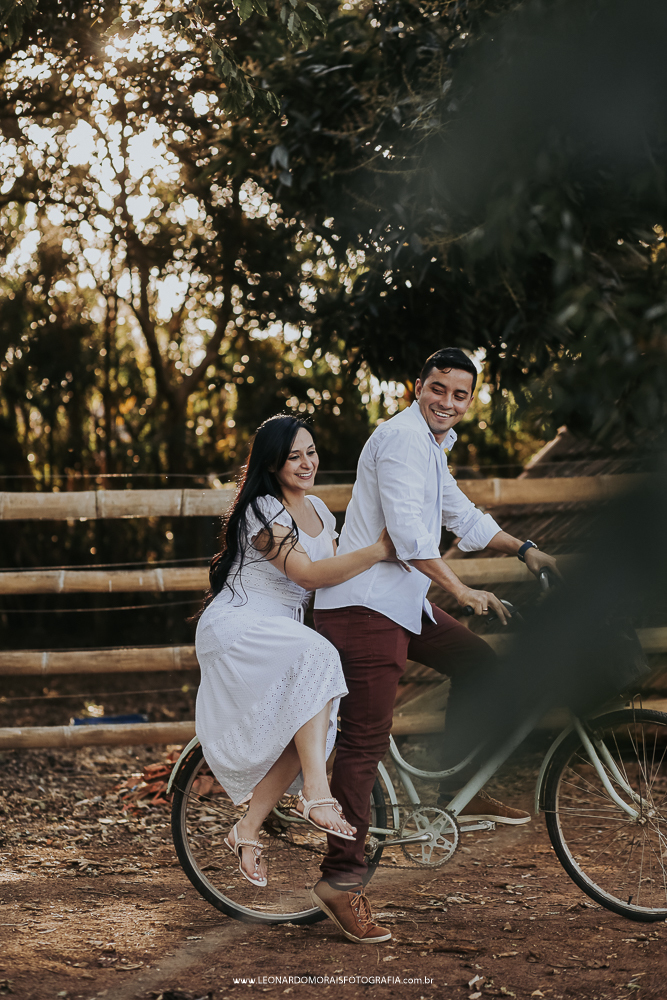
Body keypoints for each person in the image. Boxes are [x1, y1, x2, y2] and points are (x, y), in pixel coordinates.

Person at [310, 347, 559, 944]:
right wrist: (461, 589)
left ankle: (460, 790)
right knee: (363, 743)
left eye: (460, 394)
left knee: (479, 664)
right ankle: (341, 880)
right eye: (438, 389)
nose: (448, 402)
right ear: (416, 387)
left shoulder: (430, 445)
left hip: (401, 606)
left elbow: (461, 516)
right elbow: (409, 536)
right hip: (363, 608)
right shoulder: (399, 440)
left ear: (470, 401)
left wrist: (526, 550)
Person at [194, 414, 396, 888]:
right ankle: (315, 793)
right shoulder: (262, 510)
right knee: (320, 658)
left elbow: (338, 570)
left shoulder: (321, 511)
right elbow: (306, 574)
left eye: (311, 452)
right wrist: (379, 550)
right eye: (293, 456)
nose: (306, 463)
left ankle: (246, 829)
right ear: (272, 463)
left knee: (310, 735)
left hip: (283, 629)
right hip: (240, 626)